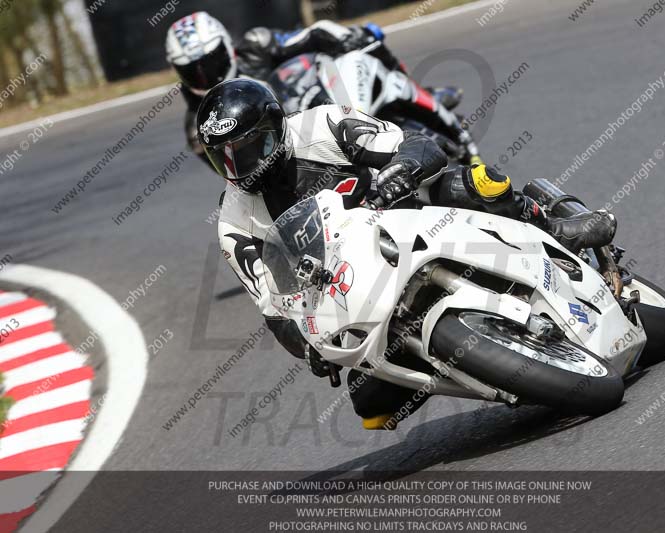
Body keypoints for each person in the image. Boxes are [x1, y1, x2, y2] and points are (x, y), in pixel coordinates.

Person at [200, 78, 616, 430]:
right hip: (355, 283)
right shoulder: (234, 222)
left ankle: (552, 229)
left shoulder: (323, 124)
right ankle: (473, 363)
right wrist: (307, 345)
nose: (240, 166)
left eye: (251, 147)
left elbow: (417, 145)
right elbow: (273, 308)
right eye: (224, 158)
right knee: (371, 407)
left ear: (276, 127)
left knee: (478, 182)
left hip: (409, 215)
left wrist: (401, 171)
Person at [166, 12, 473, 168]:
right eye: (192, 70)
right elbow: (236, 175)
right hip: (294, 151)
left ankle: (422, 94)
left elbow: (313, 33)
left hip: (320, 99)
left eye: (209, 61)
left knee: (366, 43)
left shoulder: (257, 46)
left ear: (226, 46)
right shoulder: (200, 127)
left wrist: (347, 38)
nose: (204, 75)